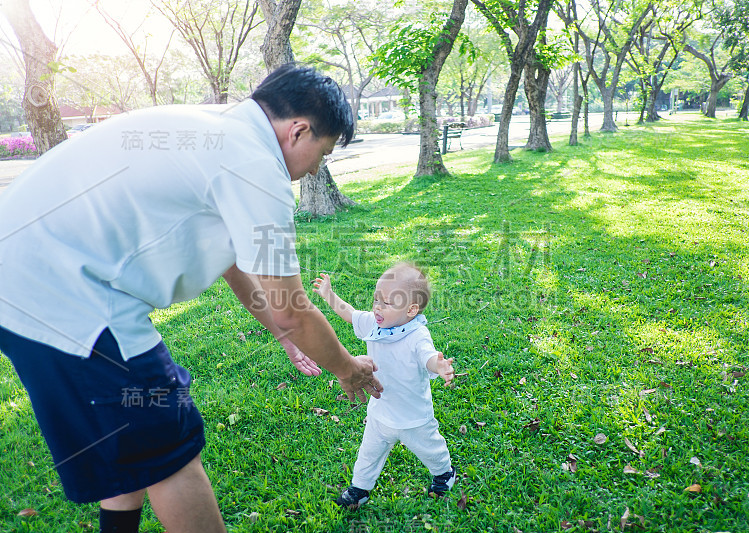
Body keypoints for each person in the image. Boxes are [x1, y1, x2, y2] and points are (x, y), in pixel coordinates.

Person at [0, 64, 383, 533]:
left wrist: (281, 331)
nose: (314, 169)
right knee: (168, 445)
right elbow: (292, 306)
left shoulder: (216, 130)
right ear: (299, 130)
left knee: (134, 438)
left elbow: (235, 261)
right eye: (321, 154)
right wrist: (348, 368)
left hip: (25, 275)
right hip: (60, 291)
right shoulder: (256, 166)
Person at [312, 263, 456, 510]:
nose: (377, 307)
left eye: (387, 303)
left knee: (431, 448)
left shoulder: (417, 335)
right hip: (380, 413)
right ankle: (360, 488)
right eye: (376, 299)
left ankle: (444, 473)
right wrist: (329, 294)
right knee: (368, 455)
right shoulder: (374, 324)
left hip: (413, 417)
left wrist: (439, 366)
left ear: (411, 310)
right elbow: (350, 313)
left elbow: (428, 357)